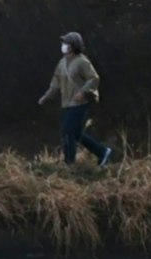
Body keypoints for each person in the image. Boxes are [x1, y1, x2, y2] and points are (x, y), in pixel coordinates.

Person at [44, 32, 117, 164]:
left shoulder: (82, 62)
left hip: (80, 103)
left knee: (68, 131)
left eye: (66, 43)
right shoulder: (62, 63)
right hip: (67, 103)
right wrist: (45, 97)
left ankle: (69, 163)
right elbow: (56, 82)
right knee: (76, 134)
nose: (63, 45)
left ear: (73, 46)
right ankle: (102, 152)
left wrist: (83, 92)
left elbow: (94, 78)